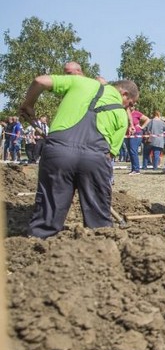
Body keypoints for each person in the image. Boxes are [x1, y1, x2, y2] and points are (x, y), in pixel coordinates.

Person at [17, 73, 136, 238]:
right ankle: (102, 247)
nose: (128, 108)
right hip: (95, 159)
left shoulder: (80, 82)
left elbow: (39, 81)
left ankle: (39, 241)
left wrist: (28, 105)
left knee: (49, 209)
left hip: (58, 153)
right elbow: (108, 156)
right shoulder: (122, 116)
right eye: (129, 104)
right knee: (99, 223)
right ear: (124, 94)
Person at [126, 105, 149, 174]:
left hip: (137, 133)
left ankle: (136, 169)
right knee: (130, 151)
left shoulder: (137, 113)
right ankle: (133, 168)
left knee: (133, 150)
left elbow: (147, 119)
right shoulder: (125, 113)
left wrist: (142, 127)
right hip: (127, 133)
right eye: (130, 106)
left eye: (132, 106)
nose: (131, 107)